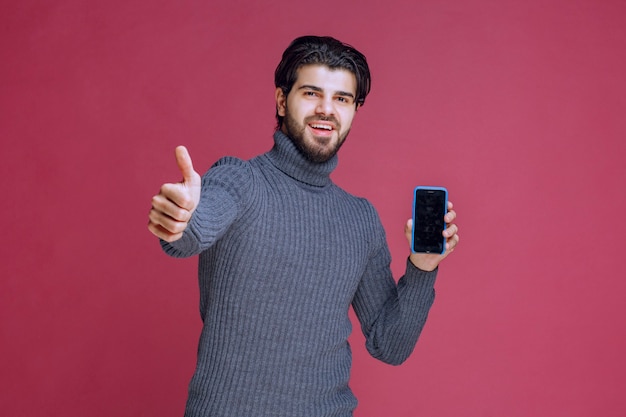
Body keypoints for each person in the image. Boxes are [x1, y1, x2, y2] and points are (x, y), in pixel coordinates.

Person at [148, 35, 459, 417]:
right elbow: (196, 228)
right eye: (311, 93)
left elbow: (390, 346)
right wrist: (181, 218)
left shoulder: (360, 219)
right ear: (282, 100)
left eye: (342, 99)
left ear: (355, 110)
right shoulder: (239, 180)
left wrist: (424, 268)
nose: (326, 110)